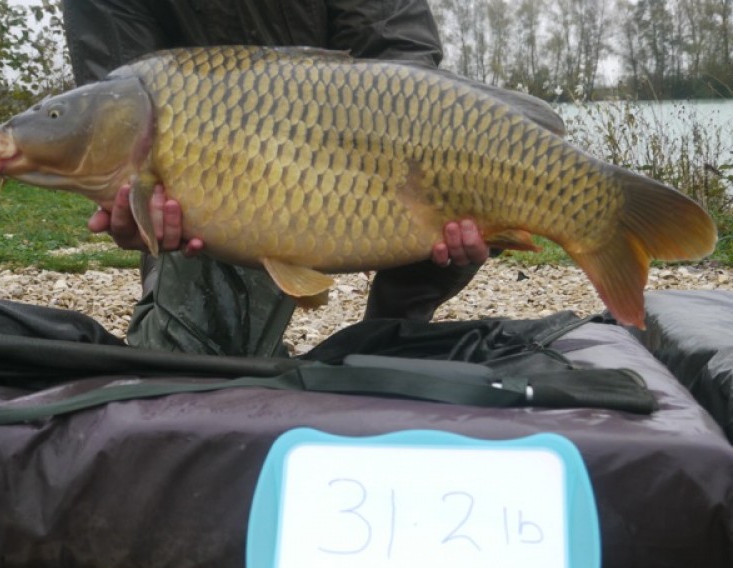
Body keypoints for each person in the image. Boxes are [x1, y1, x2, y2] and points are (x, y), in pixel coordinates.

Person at [60, 0, 490, 356]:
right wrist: (139, 205)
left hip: (361, 141)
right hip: (211, 166)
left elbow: (402, 54)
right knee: (199, 366)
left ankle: (387, 338)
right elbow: (111, 102)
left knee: (459, 183)